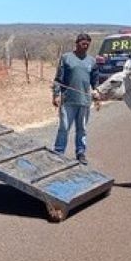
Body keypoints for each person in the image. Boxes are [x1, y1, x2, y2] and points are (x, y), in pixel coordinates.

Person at [52, 33, 100, 164]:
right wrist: (56, 95)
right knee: (64, 127)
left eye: (87, 44)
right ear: (77, 43)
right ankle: (59, 152)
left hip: (84, 101)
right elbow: (58, 79)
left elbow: (95, 80)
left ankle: (80, 152)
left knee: (82, 129)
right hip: (68, 100)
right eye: (83, 43)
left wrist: (96, 91)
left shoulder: (92, 61)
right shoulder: (66, 58)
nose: (85, 46)